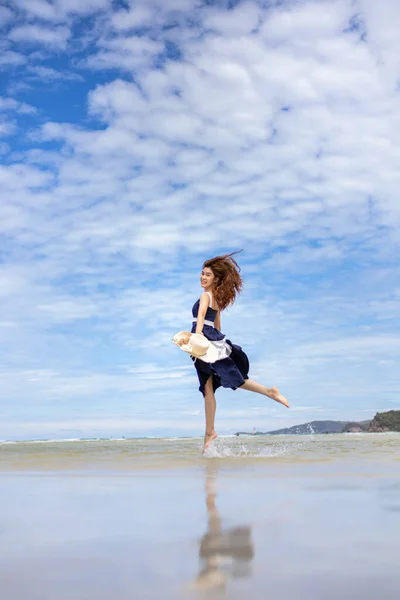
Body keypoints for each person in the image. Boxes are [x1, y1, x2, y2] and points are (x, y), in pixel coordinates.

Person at [176, 251, 289, 453]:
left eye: (208, 275)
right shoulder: (217, 300)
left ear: (216, 278)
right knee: (208, 387)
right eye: (202, 273)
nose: (203, 277)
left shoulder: (205, 296)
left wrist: (197, 340)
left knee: (227, 380)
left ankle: (268, 392)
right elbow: (218, 327)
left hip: (203, 340)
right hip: (212, 340)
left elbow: (201, 317)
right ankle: (209, 433)